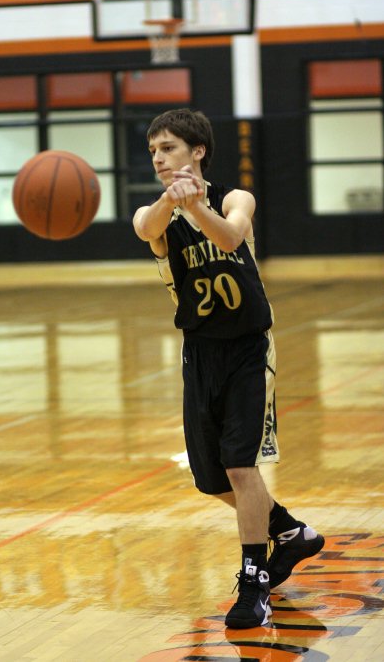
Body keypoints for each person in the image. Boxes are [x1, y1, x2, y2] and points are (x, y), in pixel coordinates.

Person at [132, 108, 324, 630]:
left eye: (167, 148)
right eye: (153, 152)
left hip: (246, 350)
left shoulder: (235, 200)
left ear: (198, 152)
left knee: (242, 469)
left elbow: (231, 239)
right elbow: (145, 227)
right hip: (199, 353)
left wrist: (196, 207)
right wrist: (172, 203)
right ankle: (290, 532)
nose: (158, 159)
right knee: (209, 478)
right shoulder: (155, 216)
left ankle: (253, 582)